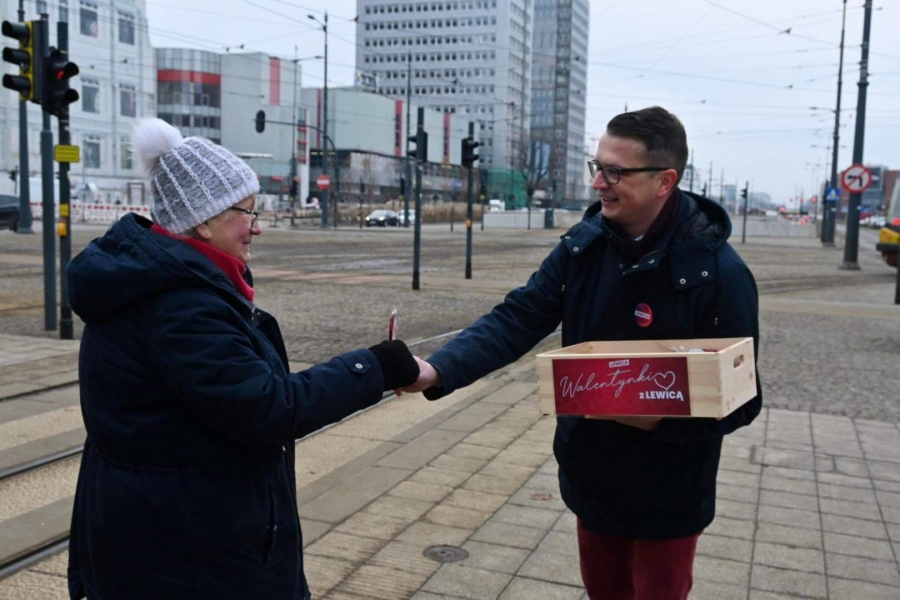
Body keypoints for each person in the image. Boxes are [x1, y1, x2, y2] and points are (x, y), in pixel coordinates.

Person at [401, 106, 762, 600]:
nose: (599, 184)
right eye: (598, 167)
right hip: (593, 477)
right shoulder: (582, 247)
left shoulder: (719, 273)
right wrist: (435, 369)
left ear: (665, 181)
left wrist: (656, 420)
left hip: (670, 491)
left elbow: (744, 399)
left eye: (616, 172)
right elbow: (518, 317)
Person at [66, 118, 419, 600]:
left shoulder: (159, 284)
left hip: (165, 534)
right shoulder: (179, 309)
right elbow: (269, 407)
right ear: (203, 219)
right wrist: (377, 366)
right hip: (187, 556)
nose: (258, 225)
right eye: (247, 211)